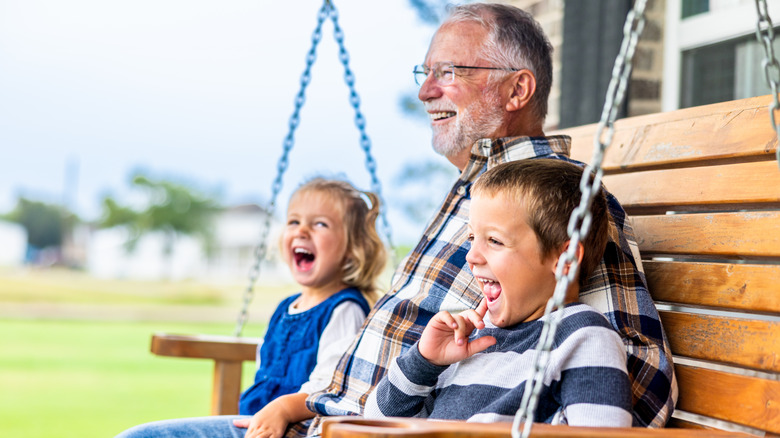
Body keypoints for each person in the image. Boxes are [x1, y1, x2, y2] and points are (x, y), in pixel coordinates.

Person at [304, 3, 675, 435]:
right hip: (343, 420)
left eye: (447, 72)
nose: (424, 92)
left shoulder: (555, 203)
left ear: (517, 90)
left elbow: (637, 383)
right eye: (424, 73)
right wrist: (421, 362)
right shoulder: (481, 201)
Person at [363, 159, 633, 426]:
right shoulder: (474, 340)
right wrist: (424, 362)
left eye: (494, 240)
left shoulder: (584, 338)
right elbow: (377, 424)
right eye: (471, 238)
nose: (471, 256)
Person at [115, 177, 387, 438]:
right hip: (255, 423)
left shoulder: (345, 310)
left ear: (354, 248)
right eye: (293, 221)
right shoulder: (286, 308)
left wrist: (281, 409)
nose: (301, 231)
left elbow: (331, 389)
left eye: (320, 224)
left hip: (299, 428)